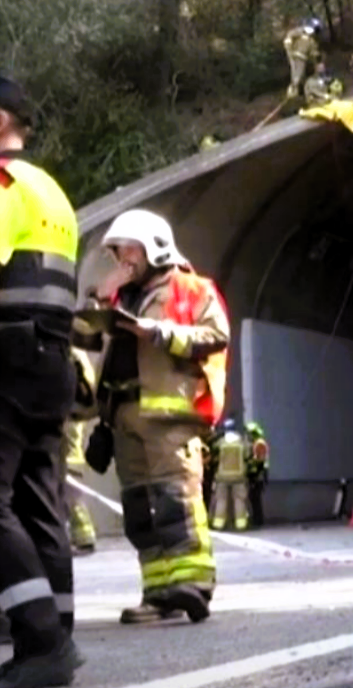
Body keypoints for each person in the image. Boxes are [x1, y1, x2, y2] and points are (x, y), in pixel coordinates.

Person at [76, 208, 229, 626]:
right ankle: (158, 593)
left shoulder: (192, 288)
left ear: (154, 248)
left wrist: (156, 332)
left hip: (170, 417)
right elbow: (83, 337)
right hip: (123, 417)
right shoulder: (118, 296)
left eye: (128, 249)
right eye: (116, 251)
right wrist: (98, 297)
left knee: (176, 500)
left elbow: (216, 335)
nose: (121, 258)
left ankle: (193, 585)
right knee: (140, 510)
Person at [0, 74, 84, 688]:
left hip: (7, 355)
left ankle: (42, 640)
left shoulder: (3, 183)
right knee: (37, 500)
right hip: (50, 359)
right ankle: (56, 634)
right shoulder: (50, 190)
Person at [61, 349, 97, 556]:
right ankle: (80, 536)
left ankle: (84, 537)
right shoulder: (76, 352)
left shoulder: (71, 352)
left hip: (68, 416)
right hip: (70, 414)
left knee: (70, 480)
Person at [283, 17, 323, 99]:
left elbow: (313, 53)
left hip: (303, 59)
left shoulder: (312, 41)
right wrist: (290, 49)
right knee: (296, 75)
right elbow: (288, 39)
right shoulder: (299, 32)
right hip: (294, 56)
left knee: (302, 76)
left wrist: (317, 60)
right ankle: (292, 93)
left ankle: (303, 94)